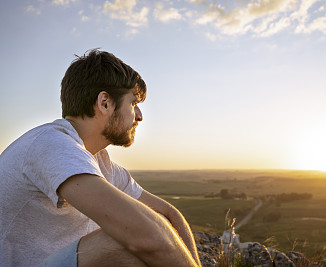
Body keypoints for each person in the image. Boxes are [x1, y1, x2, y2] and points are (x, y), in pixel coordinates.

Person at [0, 49, 201, 267]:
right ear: (105, 102)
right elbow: (148, 237)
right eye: (133, 104)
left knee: (150, 224)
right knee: (124, 241)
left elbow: (169, 214)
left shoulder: (102, 164)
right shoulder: (51, 144)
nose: (140, 116)